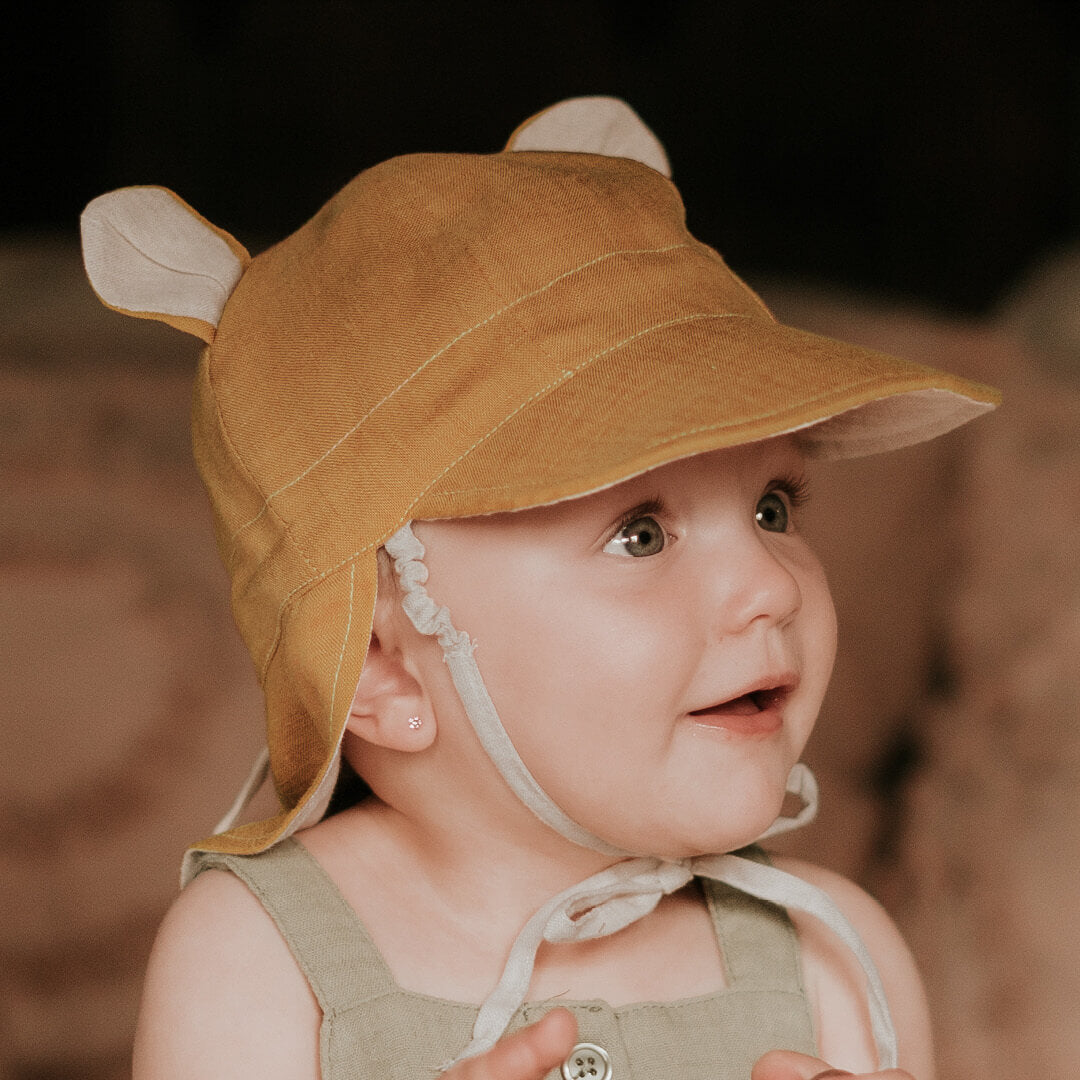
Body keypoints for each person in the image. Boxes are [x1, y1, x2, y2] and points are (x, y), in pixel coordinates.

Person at [80, 97, 999, 1080]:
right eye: (639, 533)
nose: (769, 585)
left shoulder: (831, 957)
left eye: (774, 508)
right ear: (383, 661)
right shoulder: (257, 954)